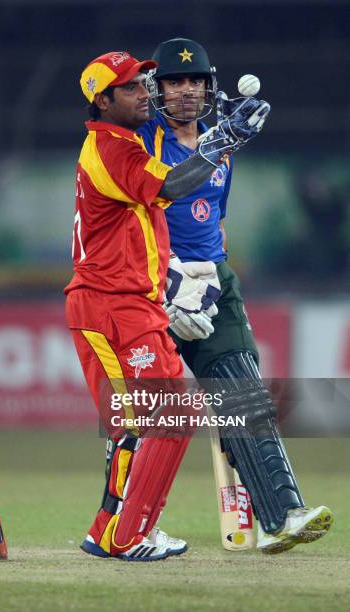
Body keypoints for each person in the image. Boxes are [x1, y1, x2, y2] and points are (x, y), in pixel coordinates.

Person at [64, 49, 270, 561]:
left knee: (144, 423)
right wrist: (221, 140)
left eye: (143, 84)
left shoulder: (126, 142)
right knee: (158, 420)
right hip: (107, 308)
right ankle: (127, 535)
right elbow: (172, 187)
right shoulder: (110, 149)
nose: (144, 94)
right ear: (104, 100)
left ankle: (113, 531)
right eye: (132, 88)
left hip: (135, 305)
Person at [138, 37, 333, 554]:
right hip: (152, 282)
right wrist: (167, 285)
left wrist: (211, 276)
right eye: (173, 82)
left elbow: (213, 216)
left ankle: (281, 517)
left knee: (243, 398)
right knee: (143, 415)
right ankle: (124, 529)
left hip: (213, 280)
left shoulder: (221, 137)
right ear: (155, 90)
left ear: (209, 86)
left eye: (194, 81)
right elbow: (162, 194)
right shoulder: (141, 138)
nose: (184, 91)